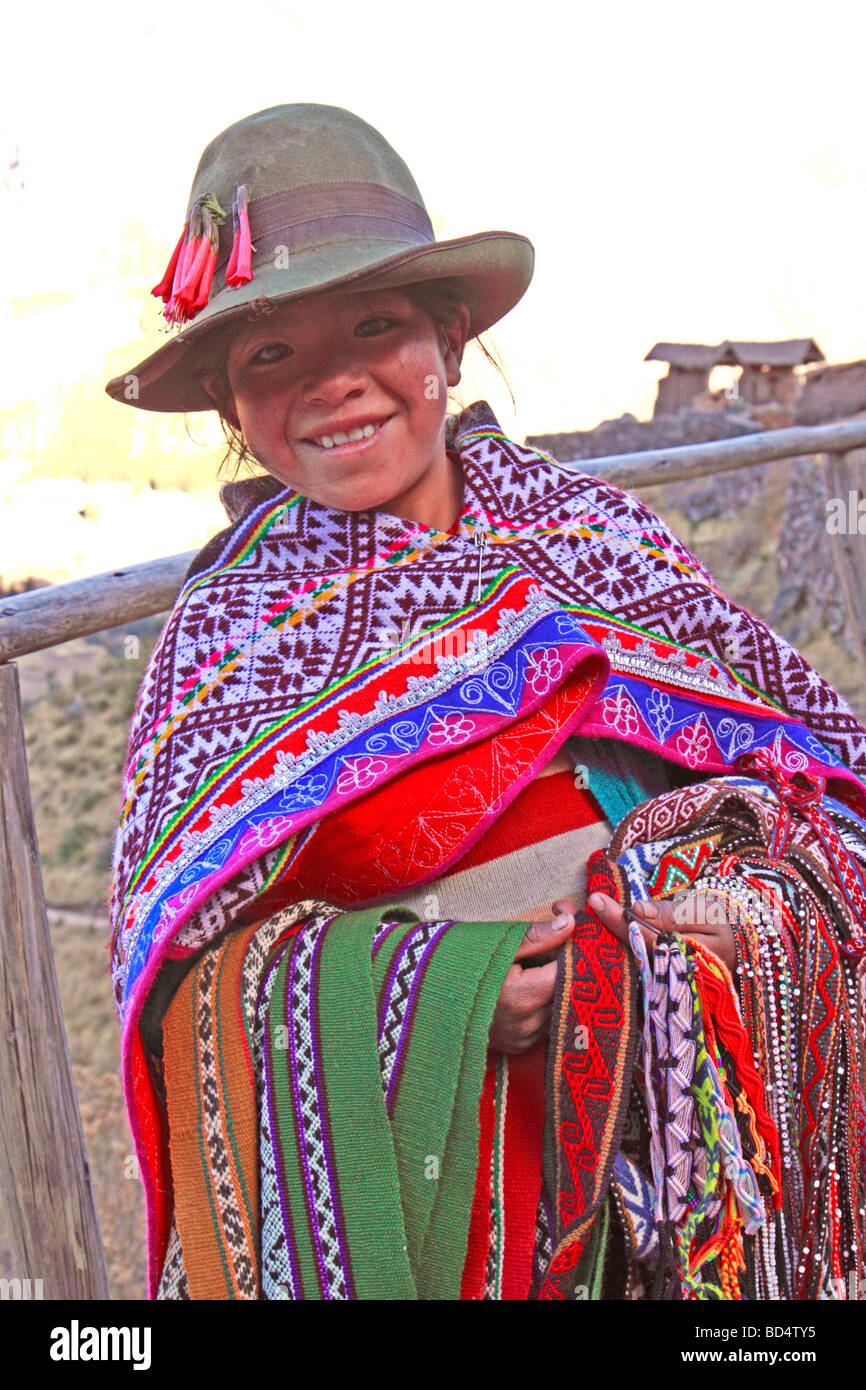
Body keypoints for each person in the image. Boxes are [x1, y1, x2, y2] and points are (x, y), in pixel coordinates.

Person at [106, 103, 866, 1301]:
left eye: (375, 325)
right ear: (229, 408)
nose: (333, 382)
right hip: (450, 1210)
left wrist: (748, 915)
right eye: (270, 356)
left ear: (448, 344)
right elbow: (181, 984)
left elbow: (815, 789)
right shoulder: (224, 643)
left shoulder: (598, 540)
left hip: (691, 1169)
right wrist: (434, 996)